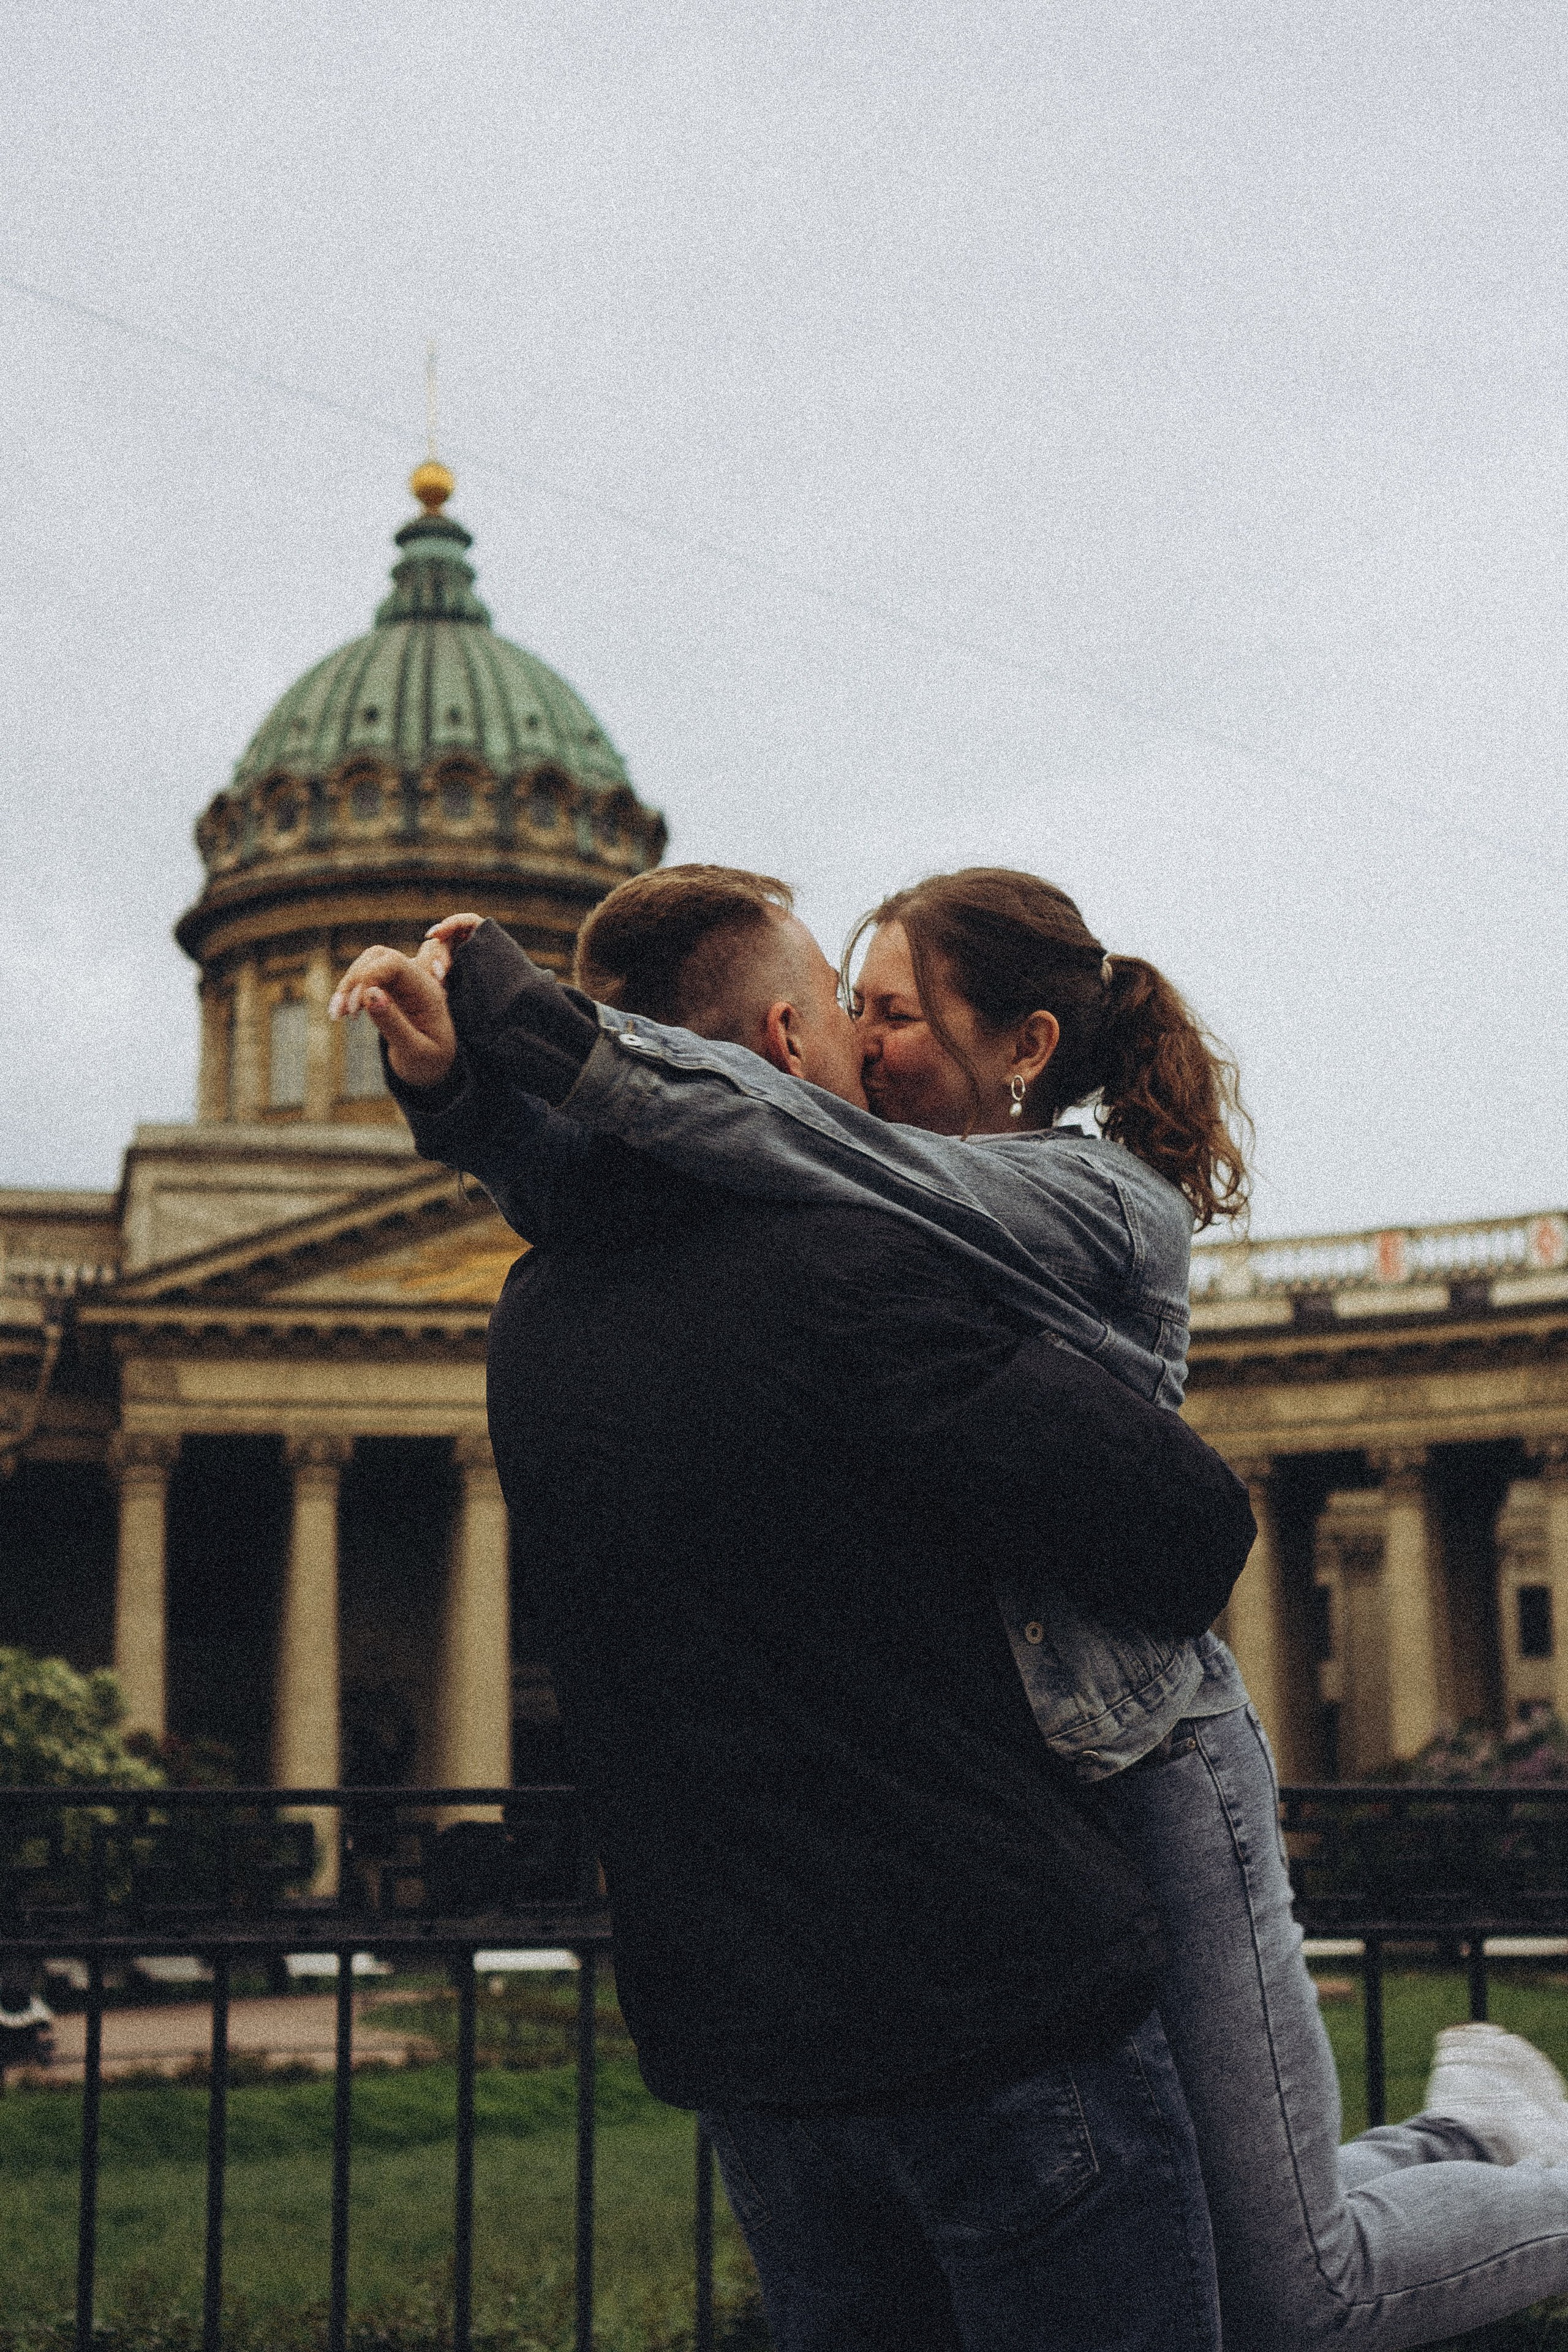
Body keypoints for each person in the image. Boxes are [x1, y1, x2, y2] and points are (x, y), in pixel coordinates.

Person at [340, 862, 1568, 2352]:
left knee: (1292, 2287)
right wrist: (466, 1099)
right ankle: (1467, 2139)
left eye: (894, 1011)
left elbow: (1189, 1529)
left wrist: (530, 1040)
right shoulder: (819, 1223)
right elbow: (668, 1177)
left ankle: (1503, 2154)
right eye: (847, 1011)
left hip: (1141, 1757)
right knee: (1260, 2251)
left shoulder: (1067, 1195)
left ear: (1027, 1044)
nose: (863, 1043)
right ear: (788, 1038)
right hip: (1012, 1847)